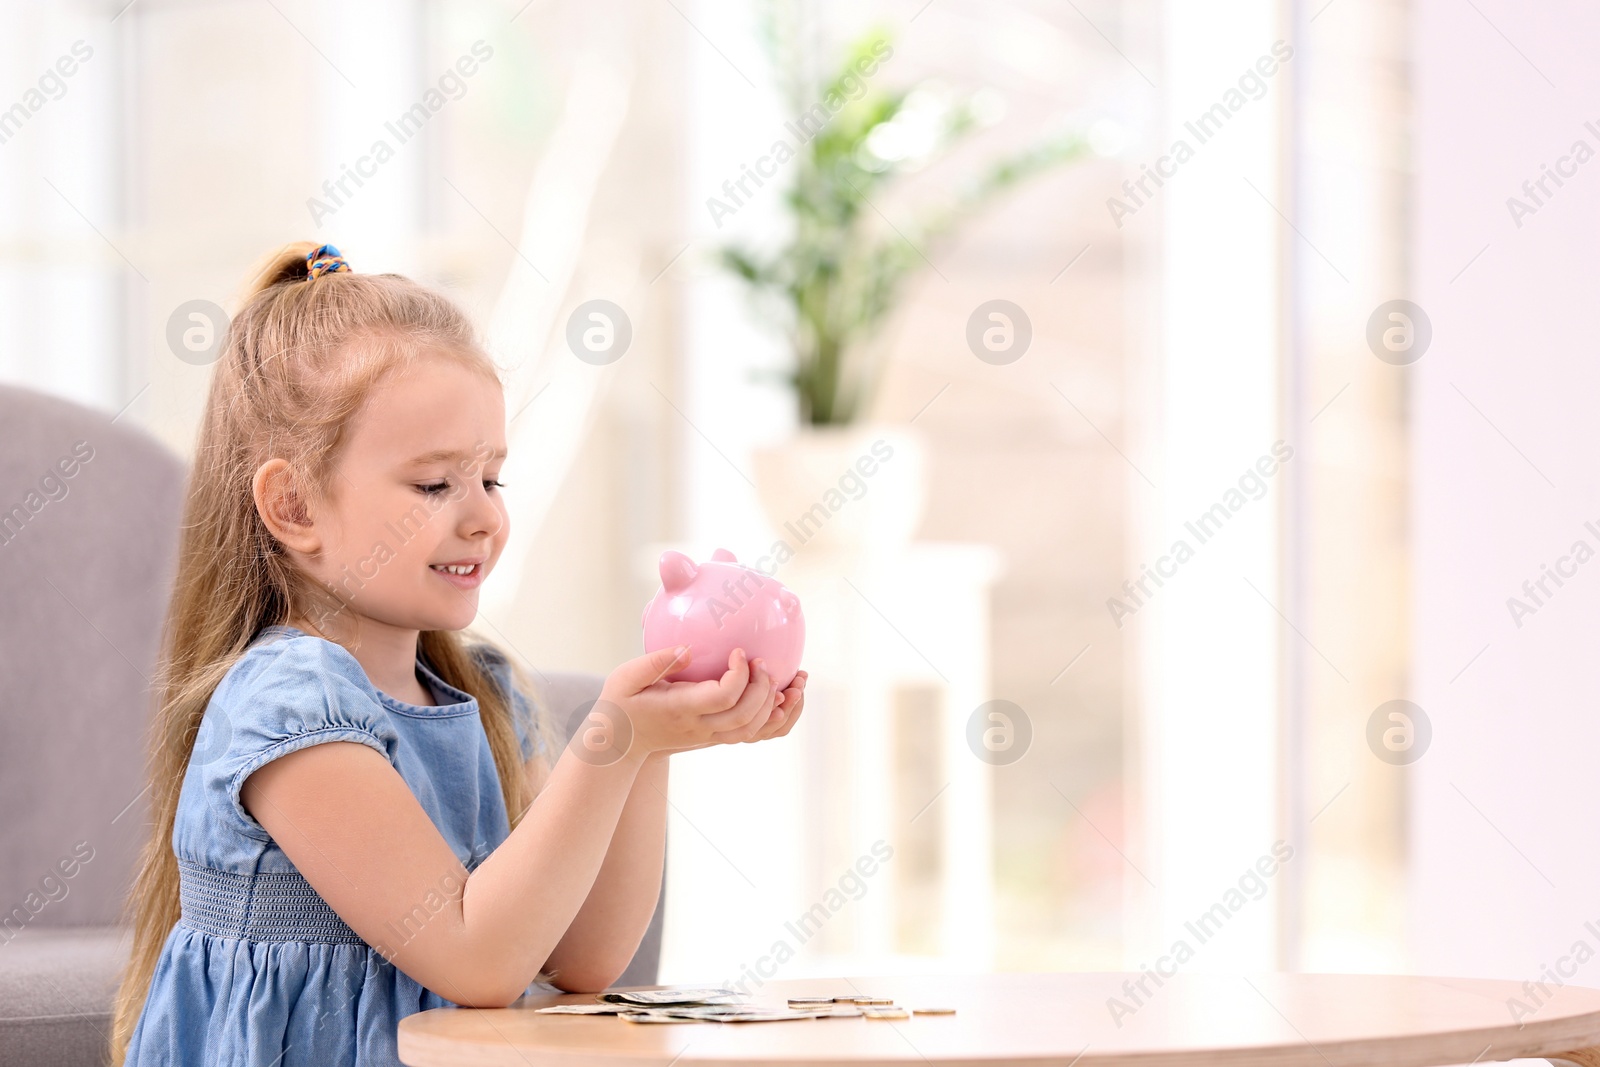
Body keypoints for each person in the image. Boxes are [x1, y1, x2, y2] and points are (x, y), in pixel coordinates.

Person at [109, 242, 806, 1066]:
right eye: (436, 485)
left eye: (492, 480)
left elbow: (580, 957)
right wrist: (607, 738)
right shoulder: (288, 706)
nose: (482, 517)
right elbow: (478, 958)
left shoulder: (484, 688)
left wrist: (644, 746)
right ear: (293, 505)